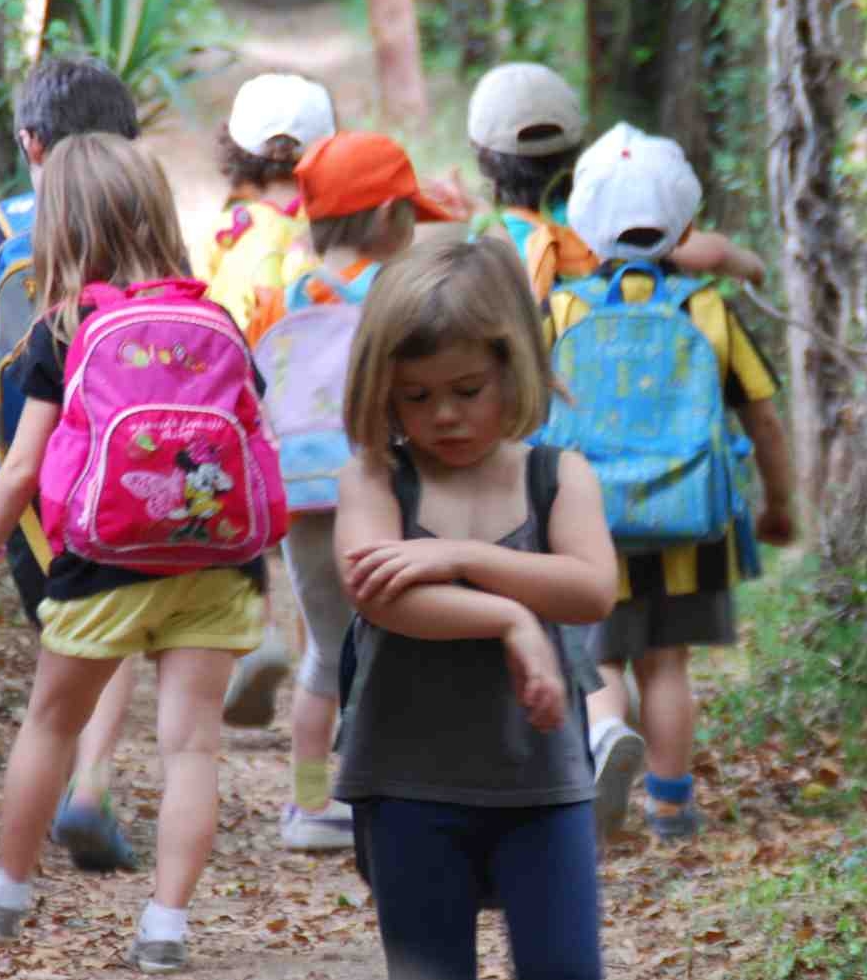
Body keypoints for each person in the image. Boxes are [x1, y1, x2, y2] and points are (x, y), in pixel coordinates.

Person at [0, 134, 281, 975]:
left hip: (102, 564)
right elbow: (248, 432)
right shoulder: (215, 323)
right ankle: (165, 925)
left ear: (62, 231)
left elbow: (20, 466)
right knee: (192, 745)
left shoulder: (67, 328)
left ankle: (6, 890)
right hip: (214, 561)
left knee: (52, 721)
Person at [334, 236, 617, 980]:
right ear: (382, 390)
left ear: (511, 368)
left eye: (468, 389)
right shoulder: (374, 479)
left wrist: (461, 558)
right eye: (416, 396)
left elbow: (592, 586)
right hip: (406, 787)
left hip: (542, 786)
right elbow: (381, 597)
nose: (445, 416)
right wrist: (510, 618)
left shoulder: (558, 477)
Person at [0, 54, 143, 873]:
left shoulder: (0, 225)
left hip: (26, 472)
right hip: (122, 469)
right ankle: (90, 782)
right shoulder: (140, 222)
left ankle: (49, 784)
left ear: (29, 143)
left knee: (62, 622)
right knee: (112, 624)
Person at [546, 123, 798, 842]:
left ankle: (603, 741)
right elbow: (764, 418)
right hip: (692, 518)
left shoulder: (562, 310)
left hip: (587, 519)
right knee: (668, 664)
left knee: (599, 650)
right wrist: (778, 503)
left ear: (584, 232)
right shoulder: (708, 310)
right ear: (687, 225)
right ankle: (670, 803)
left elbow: (524, 416)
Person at [244, 131, 452, 851]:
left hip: (303, 500)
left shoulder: (287, 296)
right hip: (382, 492)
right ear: (392, 217)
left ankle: (309, 806)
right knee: (403, 645)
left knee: (325, 655)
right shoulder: (399, 296)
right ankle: (403, 790)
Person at [200, 72, 339, 729]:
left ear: (236, 147)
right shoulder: (329, 233)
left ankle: (255, 637)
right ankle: (325, 677)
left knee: (244, 542)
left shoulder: (227, 234)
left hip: (235, 418)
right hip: (314, 419)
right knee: (315, 562)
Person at [465, 61, 767, 298]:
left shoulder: (492, 237)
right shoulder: (607, 216)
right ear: (577, 148)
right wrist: (753, 268)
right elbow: (715, 253)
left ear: (482, 157)